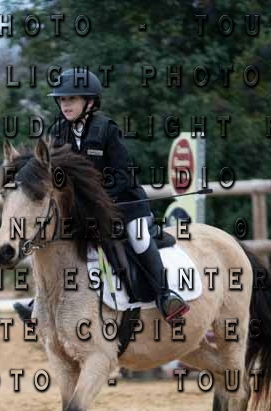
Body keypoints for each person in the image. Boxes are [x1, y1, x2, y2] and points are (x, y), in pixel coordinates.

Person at [13, 68, 190, 325]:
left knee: (139, 238)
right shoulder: (58, 131)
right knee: (50, 240)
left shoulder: (106, 129)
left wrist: (99, 199)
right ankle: (41, 301)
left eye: (71, 99)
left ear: (89, 102)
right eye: (62, 100)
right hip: (83, 211)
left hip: (124, 204)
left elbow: (124, 174)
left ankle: (165, 296)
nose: (65, 105)